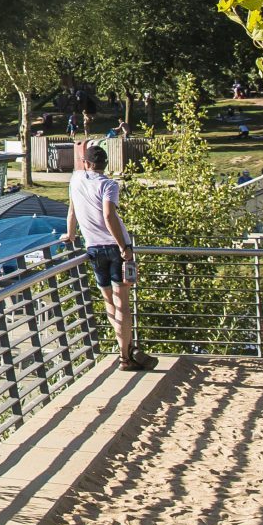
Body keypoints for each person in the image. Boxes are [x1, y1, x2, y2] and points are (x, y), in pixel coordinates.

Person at [70, 141, 154, 370]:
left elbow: (72, 209)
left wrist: (70, 234)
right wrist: (124, 247)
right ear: (104, 164)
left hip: (93, 248)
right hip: (115, 247)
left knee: (108, 301)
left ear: (86, 163)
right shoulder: (109, 185)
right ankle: (125, 356)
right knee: (122, 303)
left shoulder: (76, 180)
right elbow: (109, 216)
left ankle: (125, 348)